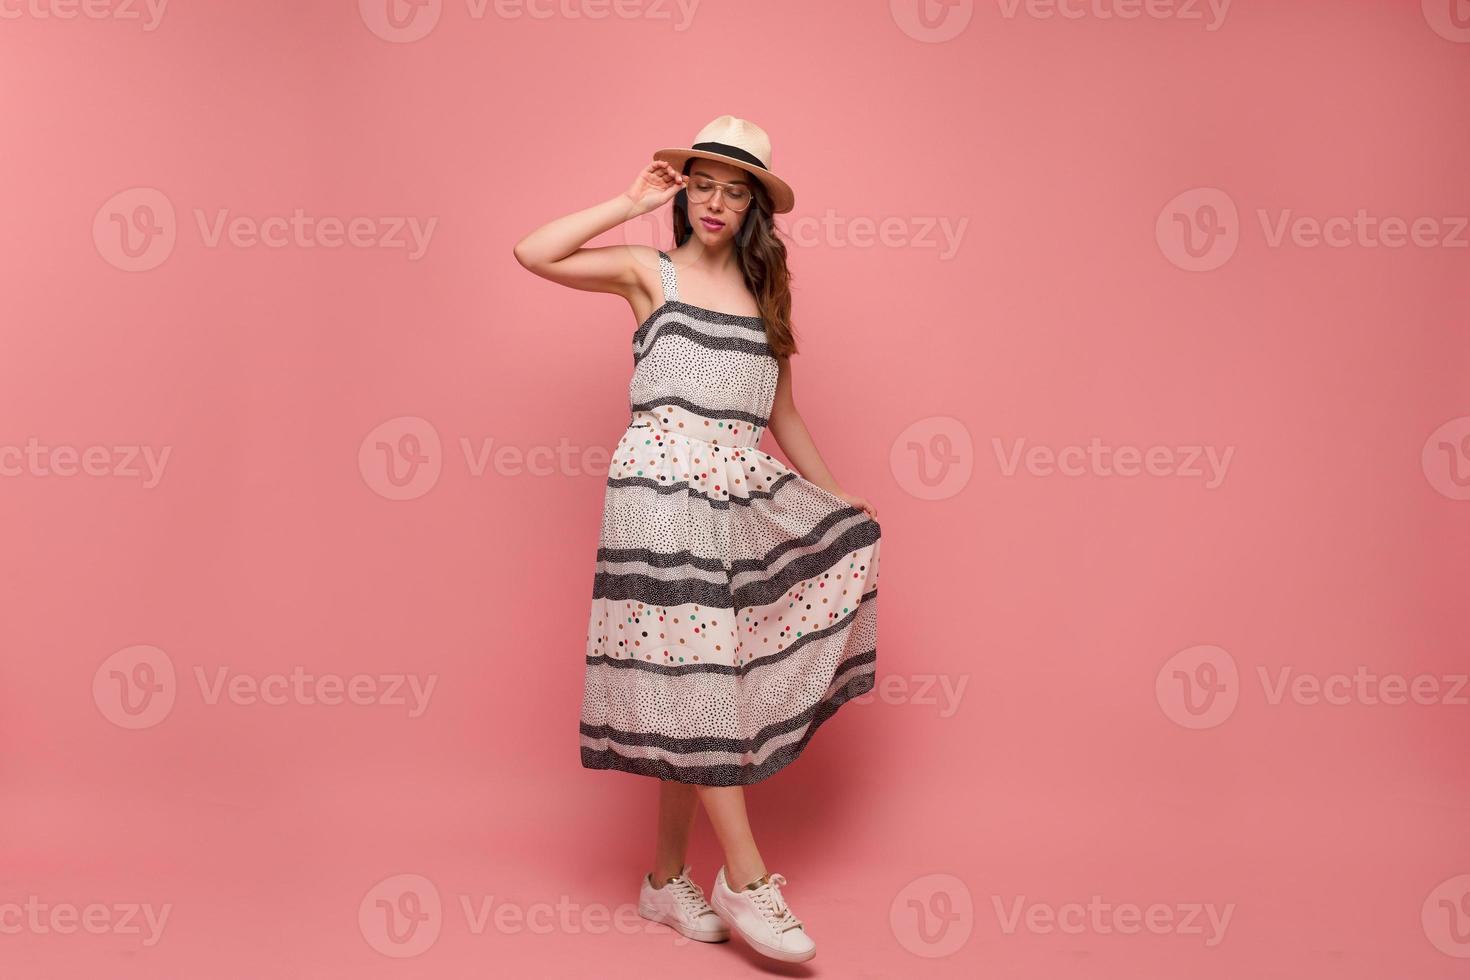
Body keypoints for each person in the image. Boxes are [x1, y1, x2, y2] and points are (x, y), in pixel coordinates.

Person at [513, 115, 881, 965]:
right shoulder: (653, 273)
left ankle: (664, 878)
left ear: (755, 206)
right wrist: (628, 201)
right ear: (686, 192)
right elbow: (534, 252)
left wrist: (834, 499)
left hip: (734, 491)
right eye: (703, 184)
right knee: (705, 668)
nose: (716, 202)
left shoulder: (767, 298)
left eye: (735, 188)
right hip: (654, 488)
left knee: (691, 672)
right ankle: (746, 879)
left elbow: (783, 415)